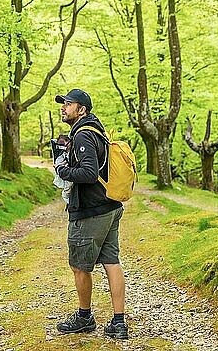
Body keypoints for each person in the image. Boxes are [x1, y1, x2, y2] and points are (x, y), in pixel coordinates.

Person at [53, 88, 128, 339]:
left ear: (82, 109)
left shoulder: (84, 134)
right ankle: (119, 323)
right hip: (111, 206)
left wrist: (63, 170)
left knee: (79, 266)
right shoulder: (96, 130)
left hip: (91, 211)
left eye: (68, 104)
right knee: (111, 262)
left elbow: (87, 173)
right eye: (63, 104)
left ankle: (84, 317)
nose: (63, 107)